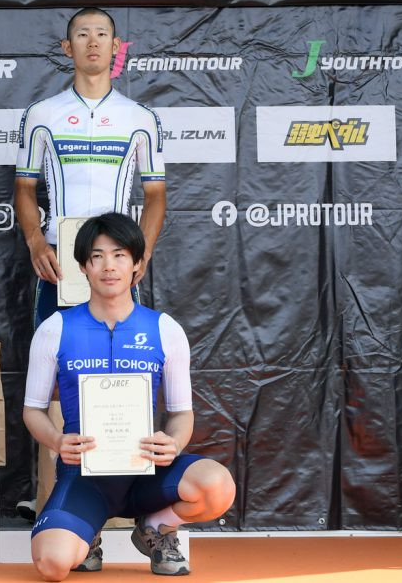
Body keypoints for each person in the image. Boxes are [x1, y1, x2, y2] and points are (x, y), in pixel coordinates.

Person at [22, 213, 235, 578]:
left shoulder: (164, 329)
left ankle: (156, 526)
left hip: (147, 472)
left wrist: (173, 442)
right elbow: (33, 410)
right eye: (97, 256)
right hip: (84, 475)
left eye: (119, 255)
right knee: (52, 564)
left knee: (218, 486)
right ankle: (88, 534)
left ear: (137, 263)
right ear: (83, 267)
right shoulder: (55, 329)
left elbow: (182, 413)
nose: (109, 266)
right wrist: (57, 440)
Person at [14, 6, 166, 328]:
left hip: (118, 254)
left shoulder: (141, 117)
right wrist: (35, 242)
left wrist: (144, 251)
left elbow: (156, 194)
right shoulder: (41, 114)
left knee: (118, 351)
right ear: (68, 47)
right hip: (59, 256)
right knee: (55, 350)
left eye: (101, 34)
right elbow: (24, 186)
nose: (92, 42)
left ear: (116, 45)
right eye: (82, 35)